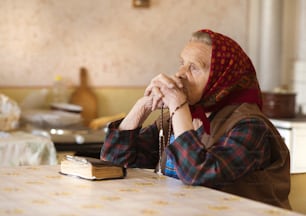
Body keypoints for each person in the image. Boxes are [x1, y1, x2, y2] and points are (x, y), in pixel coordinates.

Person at [100, 29, 291, 209]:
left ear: (222, 77)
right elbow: (114, 161)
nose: (180, 73)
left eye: (194, 67)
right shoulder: (177, 118)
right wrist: (142, 107)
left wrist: (179, 107)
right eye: (181, 63)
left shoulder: (250, 125)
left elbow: (197, 173)